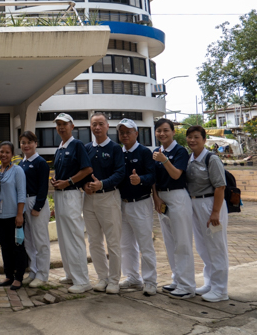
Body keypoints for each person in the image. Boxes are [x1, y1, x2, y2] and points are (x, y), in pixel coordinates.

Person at [152, 118, 196, 299]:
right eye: (159, 131)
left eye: (165, 130)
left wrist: (164, 160)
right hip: (162, 198)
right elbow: (153, 177)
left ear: (173, 132)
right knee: (170, 243)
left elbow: (177, 175)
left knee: (182, 242)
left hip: (178, 196)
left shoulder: (180, 151)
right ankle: (177, 279)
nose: (162, 134)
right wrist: (155, 198)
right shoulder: (156, 151)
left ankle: (187, 286)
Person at [50, 113, 93, 294]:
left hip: (71, 194)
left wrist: (67, 182)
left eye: (64, 124)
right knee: (64, 237)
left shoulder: (77, 145)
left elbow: (87, 169)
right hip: (60, 195)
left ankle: (82, 280)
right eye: (58, 124)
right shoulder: (59, 148)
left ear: (72, 126)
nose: (61, 127)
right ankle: (71, 274)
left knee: (74, 237)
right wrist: (56, 180)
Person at [185, 126, 229, 302]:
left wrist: (215, 212)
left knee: (216, 246)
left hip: (210, 203)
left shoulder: (211, 159)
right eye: (189, 137)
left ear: (204, 140)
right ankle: (210, 283)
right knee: (203, 247)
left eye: (196, 137)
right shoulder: (190, 159)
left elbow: (220, 186)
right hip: (194, 203)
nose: (192, 140)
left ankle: (221, 290)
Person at [84, 113, 126, 294]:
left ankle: (115, 280)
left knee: (113, 241)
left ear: (107, 126)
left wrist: (102, 184)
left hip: (108, 197)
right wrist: (84, 185)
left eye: (101, 124)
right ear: (90, 127)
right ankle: (103, 277)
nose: (97, 127)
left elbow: (120, 173)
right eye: (94, 124)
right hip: (89, 198)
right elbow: (82, 171)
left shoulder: (116, 148)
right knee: (94, 241)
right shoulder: (86, 148)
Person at [116, 118, 157, 296]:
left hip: (140, 203)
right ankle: (132, 277)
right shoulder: (119, 152)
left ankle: (150, 281)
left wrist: (140, 180)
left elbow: (152, 175)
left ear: (136, 133)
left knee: (145, 244)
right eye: (121, 132)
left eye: (128, 132)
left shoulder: (144, 152)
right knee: (126, 244)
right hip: (122, 204)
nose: (125, 135)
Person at [0, 141, 26, 290]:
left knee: (17, 246)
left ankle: (19, 277)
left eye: (7, 152)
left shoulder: (17, 171)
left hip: (14, 216)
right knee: (5, 247)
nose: (4, 155)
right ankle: (8, 275)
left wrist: (19, 215)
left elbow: (21, 194)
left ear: (12, 155)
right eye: (1, 152)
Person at [18, 131, 51, 288]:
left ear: (35, 143)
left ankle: (43, 274)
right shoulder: (21, 163)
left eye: (29, 142)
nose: (26, 145)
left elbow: (43, 187)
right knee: (29, 241)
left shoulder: (41, 163)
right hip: (23, 202)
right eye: (23, 142)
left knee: (40, 240)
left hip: (36, 202)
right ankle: (33, 271)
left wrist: (37, 206)